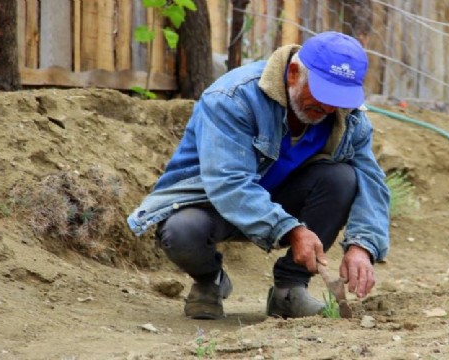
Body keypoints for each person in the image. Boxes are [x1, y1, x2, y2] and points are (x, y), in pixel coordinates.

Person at [127, 31, 390, 320]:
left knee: (342, 178)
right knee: (182, 231)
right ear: (293, 73)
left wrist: (362, 245)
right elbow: (229, 183)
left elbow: (371, 180)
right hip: (211, 203)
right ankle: (208, 280)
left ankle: (289, 291)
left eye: (338, 99)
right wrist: (291, 230)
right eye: (323, 94)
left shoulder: (347, 116)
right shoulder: (232, 97)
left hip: (281, 197)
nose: (328, 108)